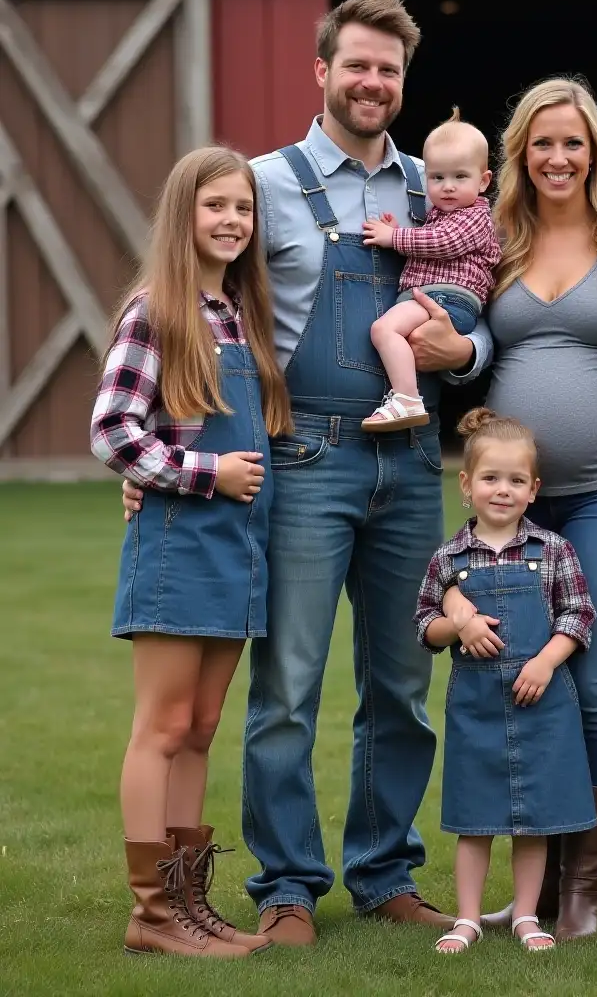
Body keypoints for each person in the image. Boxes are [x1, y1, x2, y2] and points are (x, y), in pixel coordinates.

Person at [119, 0, 488, 946]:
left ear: (404, 85)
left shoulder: (435, 189)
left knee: (403, 682)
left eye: (390, 71)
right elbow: (203, 323)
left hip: (410, 458)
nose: (374, 84)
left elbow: (478, 304)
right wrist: (160, 454)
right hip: (303, 455)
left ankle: (385, 873)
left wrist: (467, 356)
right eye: (357, 66)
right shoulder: (262, 183)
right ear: (320, 72)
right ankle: (286, 885)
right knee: (286, 685)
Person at [90, 146, 290, 958]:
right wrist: (205, 472)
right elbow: (112, 431)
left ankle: (189, 903)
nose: (231, 221)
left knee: (204, 727)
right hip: (180, 545)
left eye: (242, 208)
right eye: (215, 206)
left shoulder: (240, 314)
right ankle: (152, 914)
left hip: (237, 551)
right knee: (163, 726)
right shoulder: (155, 311)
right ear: (185, 215)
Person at [474, 77, 597, 941]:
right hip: (515, 514)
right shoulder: (494, 241)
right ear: (520, 153)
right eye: (541, 143)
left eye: (572, 142)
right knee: (523, 683)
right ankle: (532, 890)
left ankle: (584, 886)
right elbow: (459, 346)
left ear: (596, 152)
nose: (557, 157)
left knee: (591, 681)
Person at [414, 408, 596, 954]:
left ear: (534, 489)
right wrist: (460, 622)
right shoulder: (449, 558)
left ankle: (525, 915)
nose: (503, 490)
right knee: (475, 817)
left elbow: (579, 614)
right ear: (466, 485)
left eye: (516, 480)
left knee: (532, 821)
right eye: (491, 478)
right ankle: (467, 917)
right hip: (476, 704)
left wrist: (546, 661)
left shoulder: (553, 550)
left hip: (539, 699)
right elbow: (425, 625)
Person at [361, 108, 500, 430]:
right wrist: (398, 228)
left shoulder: (475, 217)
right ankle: (404, 396)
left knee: (383, 330)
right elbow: (430, 237)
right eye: (438, 178)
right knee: (399, 339)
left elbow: (442, 243)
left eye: (460, 177)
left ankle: (407, 399)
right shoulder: (440, 215)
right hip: (437, 298)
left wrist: (393, 237)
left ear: (484, 181)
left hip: (449, 301)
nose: (448, 187)